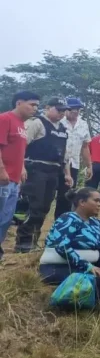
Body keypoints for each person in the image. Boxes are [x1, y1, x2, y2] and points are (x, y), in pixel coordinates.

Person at [39, 187, 100, 302]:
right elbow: (62, 246)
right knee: (97, 278)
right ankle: (91, 314)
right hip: (57, 267)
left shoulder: (96, 223)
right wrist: (87, 266)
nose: (99, 204)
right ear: (82, 202)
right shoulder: (68, 219)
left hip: (85, 266)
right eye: (96, 200)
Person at [16, 98, 74, 254]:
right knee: (34, 205)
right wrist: (21, 168)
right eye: (58, 109)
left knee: (44, 207)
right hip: (36, 169)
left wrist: (67, 174)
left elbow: (65, 155)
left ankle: (34, 239)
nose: (62, 113)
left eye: (64, 110)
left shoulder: (62, 128)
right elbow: (21, 146)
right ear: (48, 108)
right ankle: (23, 242)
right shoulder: (37, 123)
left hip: (53, 171)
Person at [0, 91, 40, 261]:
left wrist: (22, 167)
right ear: (18, 103)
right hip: (3, 178)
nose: (35, 108)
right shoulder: (5, 119)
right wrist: (1, 170)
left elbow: (18, 150)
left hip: (14, 180)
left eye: (37, 105)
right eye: (32, 104)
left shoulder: (23, 125)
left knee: (6, 218)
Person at [53, 97, 91, 219]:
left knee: (66, 197)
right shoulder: (59, 122)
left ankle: (60, 223)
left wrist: (89, 166)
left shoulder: (83, 124)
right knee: (48, 195)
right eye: (72, 109)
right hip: (55, 163)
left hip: (73, 165)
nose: (75, 112)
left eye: (77, 109)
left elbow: (85, 147)